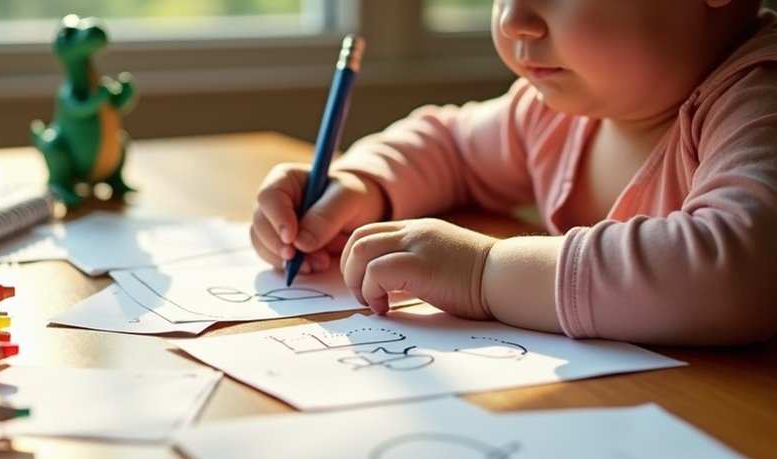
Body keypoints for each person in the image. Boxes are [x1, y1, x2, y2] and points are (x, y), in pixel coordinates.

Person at [250, 0, 777, 346]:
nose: (512, 20)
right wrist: (365, 184)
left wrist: (486, 273)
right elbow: (451, 145)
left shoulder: (758, 99)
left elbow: (742, 268)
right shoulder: (554, 111)